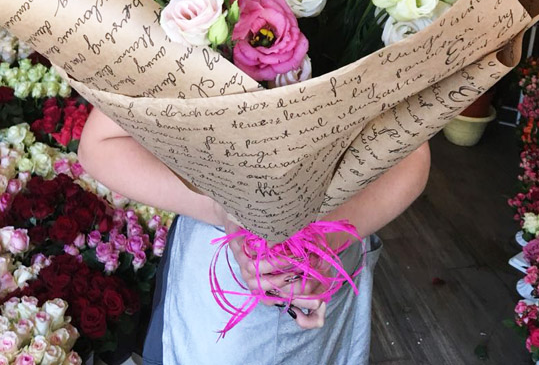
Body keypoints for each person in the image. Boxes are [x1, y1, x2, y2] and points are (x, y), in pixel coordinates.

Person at [79, 108, 431, 365]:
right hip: (215, 277)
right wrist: (225, 213)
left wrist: (322, 241)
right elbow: (101, 143)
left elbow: (412, 149)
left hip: (330, 262)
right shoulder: (185, 28)